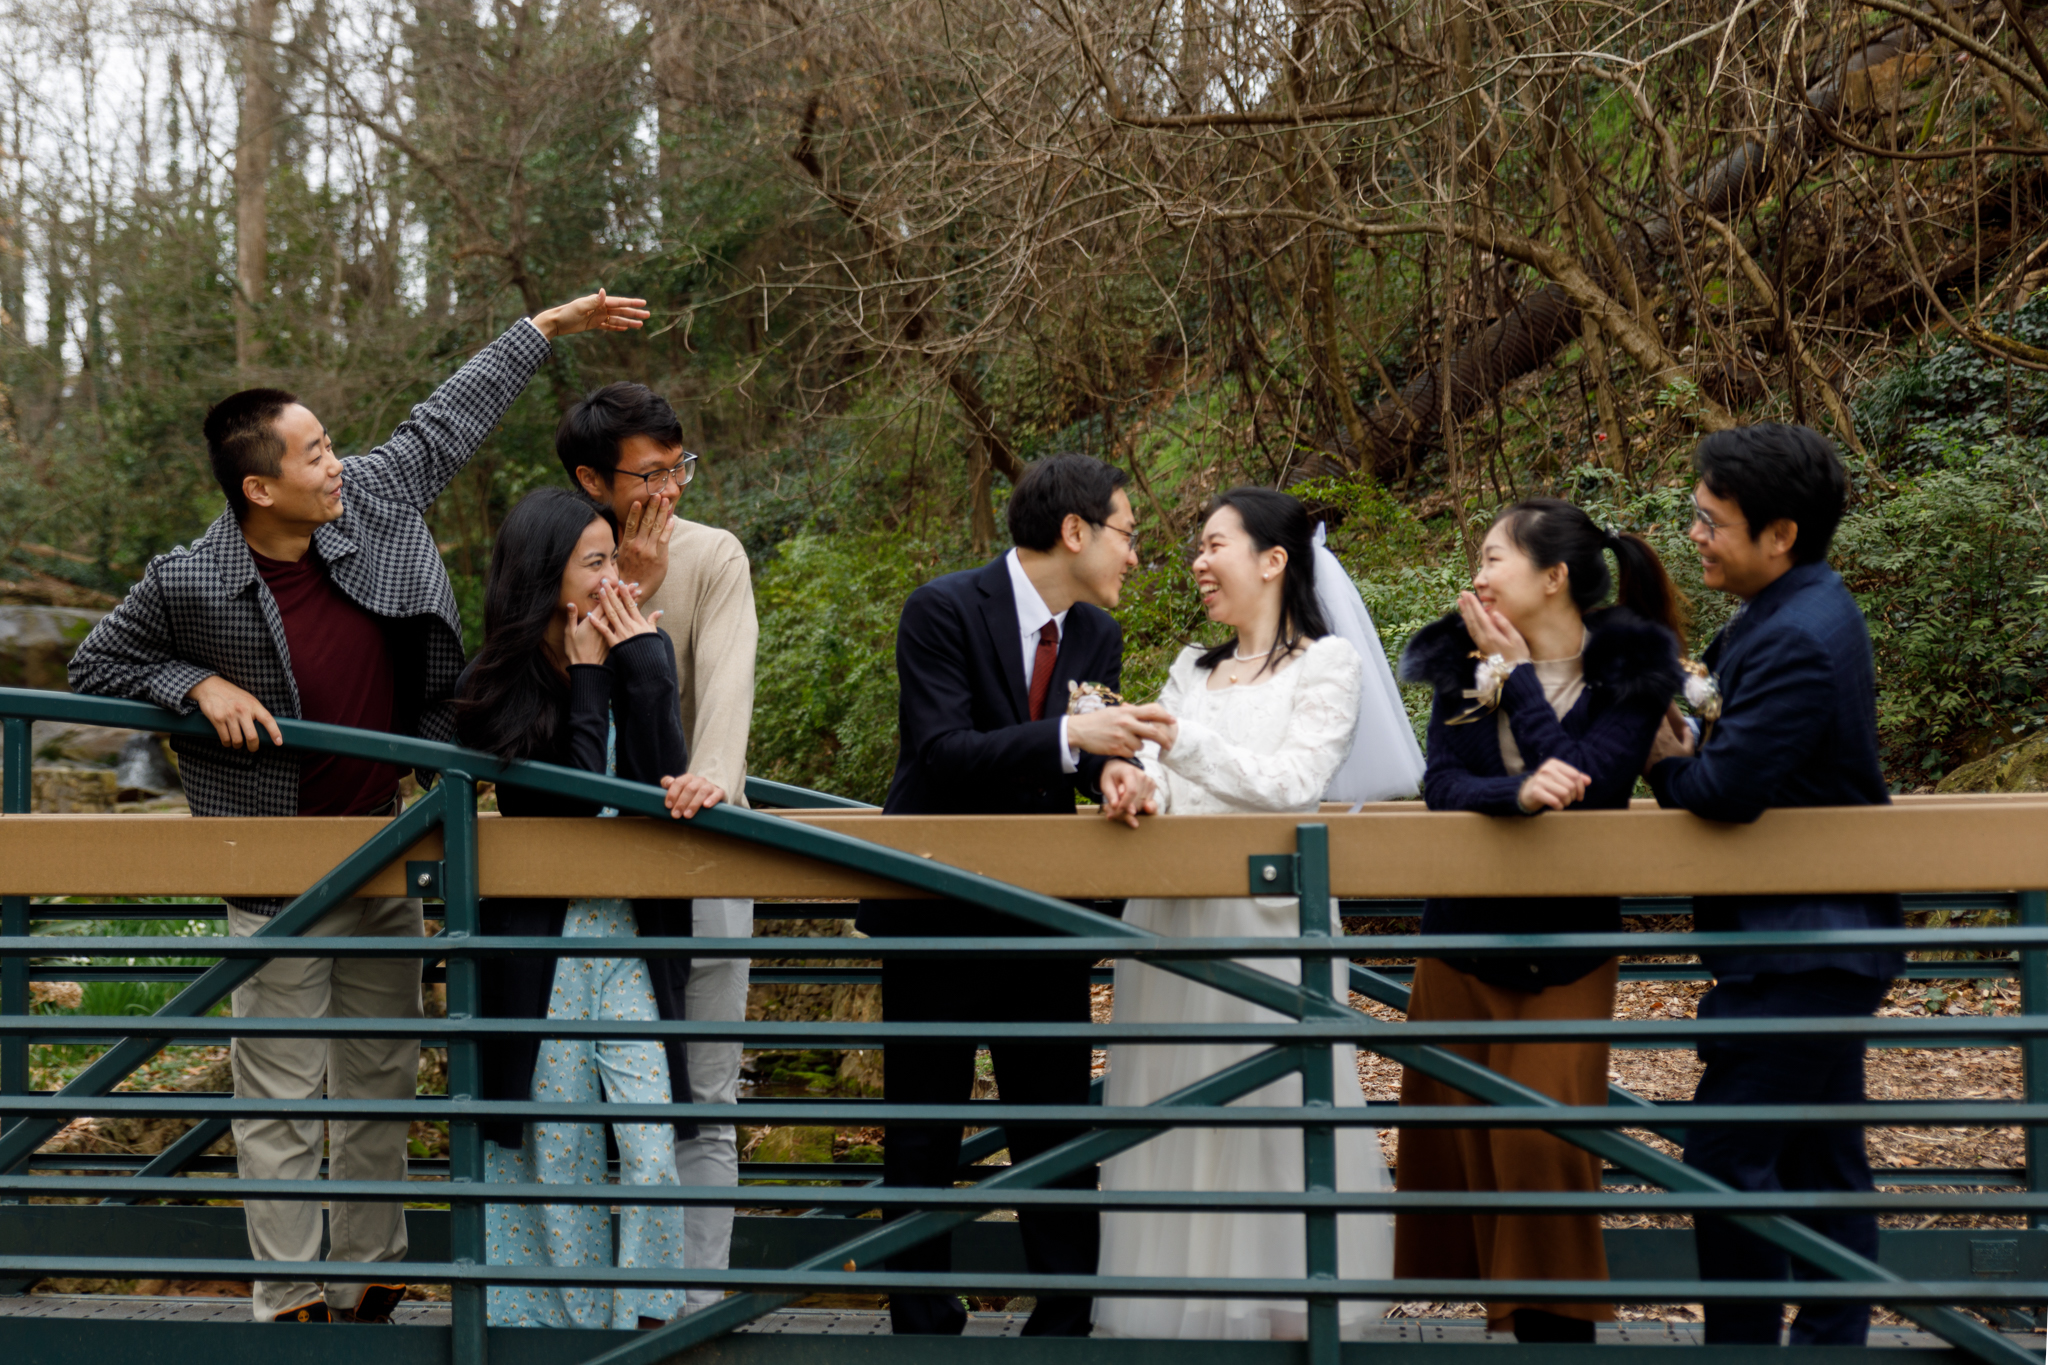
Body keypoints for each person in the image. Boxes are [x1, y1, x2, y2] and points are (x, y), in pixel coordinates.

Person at [66, 291, 649, 1325]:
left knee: (381, 1078)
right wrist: (193, 684)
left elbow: (447, 419)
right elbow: (94, 664)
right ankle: (290, 1298)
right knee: (283, 1096)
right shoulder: (190, 580)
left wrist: (545, 329)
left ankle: (369, 1275)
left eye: (332, 445)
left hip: (386, 839)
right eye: (315, 454)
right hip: (270, 870)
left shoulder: (371, 499)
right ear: (260, 487)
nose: (337, 463)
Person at [1094, 487, 1416, 1341]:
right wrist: (1136, 783)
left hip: (1271, 924)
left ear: (1273, 560)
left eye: (1214, 544)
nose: (1198, 562)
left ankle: (1285, 1314)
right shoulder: (1189, 669)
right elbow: (1169, 777)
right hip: (1174, 923)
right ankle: (1181, 1319)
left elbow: (1292, 782)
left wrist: (1181, 744)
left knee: (1271, 1108)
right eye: (1198, 547)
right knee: (1177, 1107)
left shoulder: (1327, 665)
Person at [858, 452, 1166, 1338]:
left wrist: (1113, 774)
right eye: (1127, 534)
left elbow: (1081, 755)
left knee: (1055, 1125)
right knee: (923, 1126)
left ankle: (1065, 1316)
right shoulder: (942, 608)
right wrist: (1075, 737)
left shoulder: (1097, 633)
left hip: (1043, 914)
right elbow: (944, 751)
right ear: (1074, 531)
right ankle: (921, 1318)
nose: (1134, 555)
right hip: (934, 908)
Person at [1393, 497, 1685, 1344]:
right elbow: (1443, 785)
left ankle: (1561, 1342)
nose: (1477, 574)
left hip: (1566, 950)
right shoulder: (1459, 663)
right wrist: (1516, 794)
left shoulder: (1634, 670)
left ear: (1553, 575)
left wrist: (1521, 682)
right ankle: (1515, 1338)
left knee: (1540, 1148)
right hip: (1460, 942)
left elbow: (1591, 783)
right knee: (1472, 1153)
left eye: (1495, 558)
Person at [1644, 424, 1904, 1347]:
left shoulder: (1798, 634)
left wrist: (1664, 755)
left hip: (1807, 946)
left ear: (1780, 534)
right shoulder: (1787, 608)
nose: (1696, 535)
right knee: (1824, 1166)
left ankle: (1750, 1348)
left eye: (1711, 521)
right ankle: (1828, 1343)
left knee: (1724, 1155)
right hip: (1810, 941)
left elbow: (1726, 788)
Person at [454, 487, 716, 1329]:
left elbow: (665, 780)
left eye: (615, 561)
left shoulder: (634, 651)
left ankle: (642, 1319)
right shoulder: (497, 682)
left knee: (649, 1144)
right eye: (596, 562)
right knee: (555, 1148)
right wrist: (592, 678)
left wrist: (644, 665)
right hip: (546, 942)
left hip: (629, 934)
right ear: (545, 576)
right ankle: (554, 1331)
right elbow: (564, 806)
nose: (616, 578)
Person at [557, 382, 755, 1311]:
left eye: (680, 468)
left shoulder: (714, 554)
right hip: (590, 877)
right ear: (592, 479)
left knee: (703, 1095)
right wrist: (625, 585)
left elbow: (726, 684)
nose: (669, 489)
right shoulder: (561, 559)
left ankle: (694, 1300)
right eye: (649, 474)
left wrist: (709, 779)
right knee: (588, 1102)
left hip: (701, 850)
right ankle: (606, 1298)